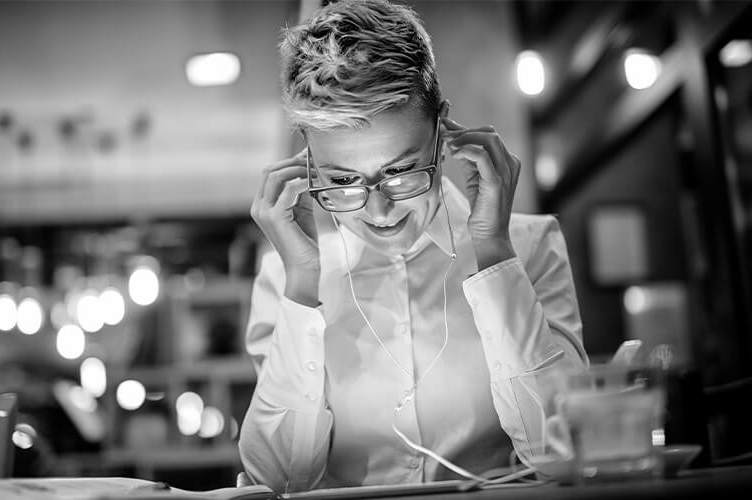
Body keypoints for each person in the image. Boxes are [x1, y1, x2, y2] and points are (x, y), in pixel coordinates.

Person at [239, 0, 588, 492]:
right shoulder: (284, 276)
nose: (378, 210)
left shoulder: (532, 246)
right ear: (308, 159)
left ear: (441, 131)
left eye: (402, 171)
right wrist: (301, 285)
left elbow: (564, 452)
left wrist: (492, 254)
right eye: (342, 179)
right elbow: (275, 480)